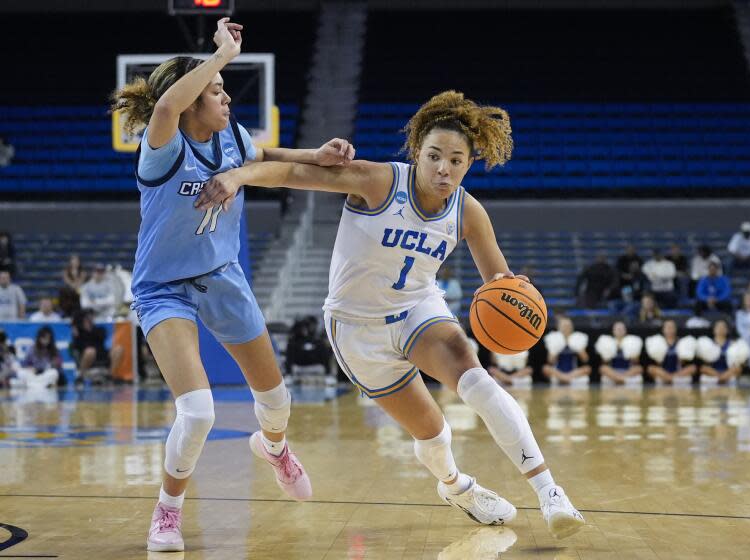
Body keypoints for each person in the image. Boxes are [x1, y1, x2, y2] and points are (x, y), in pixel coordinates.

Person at [199, 90, 585, 539]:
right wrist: (238, 176)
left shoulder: (468, 212)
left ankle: (549, 491)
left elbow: (500, 285)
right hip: (355, 328)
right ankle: (456, 486)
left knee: (476, 378)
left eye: (456, 160)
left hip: (417, 310)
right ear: (417, 152)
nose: (444, 168)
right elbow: (290, 172)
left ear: (469, 163)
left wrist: (518, 296)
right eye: (435, 156)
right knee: (434, 433)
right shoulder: (378, 182)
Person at [110, 17, 356, 552]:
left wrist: (317, 155)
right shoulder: (163, 145)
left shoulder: (232, 139)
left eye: (224, 91)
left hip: (223, 279)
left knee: (277, 400)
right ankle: (167, 512)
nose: (226, 100)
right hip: (164, 290)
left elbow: (265, 157)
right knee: (198, 412)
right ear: (195, 97)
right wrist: (219, 56)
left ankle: (274, 448)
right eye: (217, 92)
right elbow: (167, 107)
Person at [71, 309, 124, 384]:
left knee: (119, 349)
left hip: (101, 354)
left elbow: (103, 336)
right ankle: (81, 376)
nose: (88, 320)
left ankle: (110, 376)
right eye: (86, 319)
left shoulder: (97, 330)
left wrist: (90, 329)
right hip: (86, 357)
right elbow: (76, 347)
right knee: (90, 351)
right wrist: (76, 332)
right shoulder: (78, 334)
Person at [541, 315, 591, 385]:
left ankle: (565, 379)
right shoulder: (553, 338)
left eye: (568, 326)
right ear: (559, 327)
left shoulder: (577, 338)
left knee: (587, 368)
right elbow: (550, 361)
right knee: (545, 368)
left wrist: (579, 349)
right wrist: (556, 349)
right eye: (564, 326)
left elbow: (585, 359)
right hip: (558, 372)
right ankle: (566, 378)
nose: (566, 328)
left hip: (573, 372)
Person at [646, 320, 696, 384]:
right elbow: (657, 363)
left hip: (678, 372)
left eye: (672, 327)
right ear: (663, 330)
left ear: (675, 329)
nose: (670, 329)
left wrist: (682, 359)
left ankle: (670, 378)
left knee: (693, 368)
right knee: (650, 368)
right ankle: (670, 378)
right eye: (668, 327)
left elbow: (685, 363)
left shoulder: (682, 342)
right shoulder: (658, 341)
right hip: (663, 372)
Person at [596, 321, 643, 385]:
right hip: (613, 371)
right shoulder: (607, 342)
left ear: (625, 330)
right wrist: (611, 351)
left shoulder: (632, 342)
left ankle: (619, 379)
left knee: (639, 368)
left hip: (627, 371)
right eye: (618, 329)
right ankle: (620, 379)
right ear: (613, 331)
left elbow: (636, 361)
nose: (620, 331)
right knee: (603, 368)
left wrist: (632, 354)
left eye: (622, 329)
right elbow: (604, 361)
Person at [698, 320, 742, 385]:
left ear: (727, 330)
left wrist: (727, 373)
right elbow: (705, 364)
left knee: (738, 368)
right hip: (713, 372)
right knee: (703, 368)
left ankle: (721, 378)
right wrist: (718, 374)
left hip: (728, 372)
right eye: (718, 327)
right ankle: (721, 378)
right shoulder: (708, 343)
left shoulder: (733, 344)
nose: (721, 329)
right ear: (714, 330)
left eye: (723, 327)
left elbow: (735, 364)